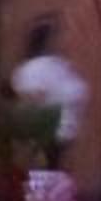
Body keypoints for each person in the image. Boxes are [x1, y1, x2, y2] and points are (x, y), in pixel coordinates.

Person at [11, 15, 87, 166]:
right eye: (60, 34)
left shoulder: (60, 66)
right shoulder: (34, 69)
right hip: (48, 144)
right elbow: (30, 105)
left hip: (65, 141)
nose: (65, 38)